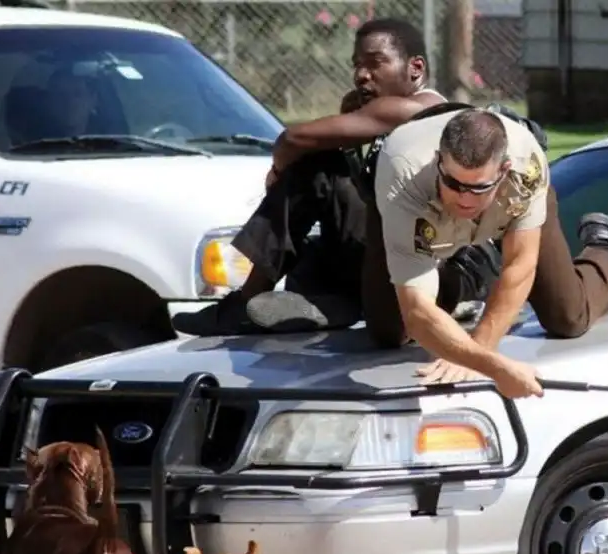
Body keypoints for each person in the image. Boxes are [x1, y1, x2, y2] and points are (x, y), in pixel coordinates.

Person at [172, 18, 512, 337]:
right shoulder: (396, 111)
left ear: (416, 68)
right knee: (331, 213)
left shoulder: (412, 108)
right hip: (427, 257)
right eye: (357, 65)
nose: (362, 75)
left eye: (375, 63)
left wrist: (277, 174)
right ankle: (335, 302)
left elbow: (293, 139)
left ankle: (245, 303)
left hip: (452, 266)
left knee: (316, 167)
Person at [369, 107, 608, 396]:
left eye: (478, 188)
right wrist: (491, 365)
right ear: (439, 161)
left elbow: (519, 265)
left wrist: (478, 351)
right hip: (413, 204)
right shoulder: (404, 176)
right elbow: (417, 312)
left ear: (504, 170)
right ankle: (467, 270)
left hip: (509, 205)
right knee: (391, 331)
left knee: (568, 317)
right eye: (453, 183)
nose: (464, 198)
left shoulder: (525, 166)